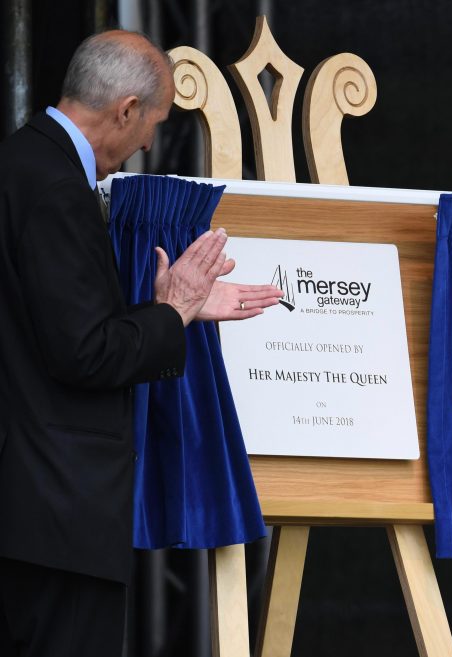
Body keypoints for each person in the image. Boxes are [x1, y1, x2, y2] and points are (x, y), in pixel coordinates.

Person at [0, 31, 281, 657]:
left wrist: (167, 315)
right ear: (126, 110)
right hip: (55, 515)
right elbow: (84, 354)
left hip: (32, 514)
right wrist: (171, 310)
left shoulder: (24, 164)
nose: (150, 142)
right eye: (152, 123)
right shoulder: (53, 187)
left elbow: (49, 334)